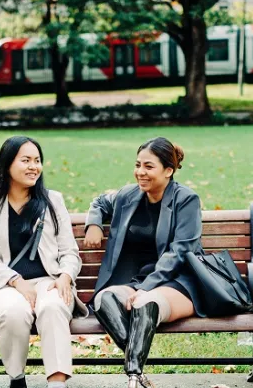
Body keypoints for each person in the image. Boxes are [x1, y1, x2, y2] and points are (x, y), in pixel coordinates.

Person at [83, 137, 205, 388]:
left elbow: (180, 252)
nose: (140, 172)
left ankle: (133, 376)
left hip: (177, 281)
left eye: (149, 167)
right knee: (104, 300)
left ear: (168, 170)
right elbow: (100, 201)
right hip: (134, 280)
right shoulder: (128, 195)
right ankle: (136, 373)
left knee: (145, 303)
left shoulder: (186, 200)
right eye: (138, 165)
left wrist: (144, 289)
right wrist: (94, 223)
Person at [0, 136, 88, 388]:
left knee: (53, 308)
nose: (33, 166)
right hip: (5, 285)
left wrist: (65, 277)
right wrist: (15, 280)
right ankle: (17, 378)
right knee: (13, 311)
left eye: (37, 161)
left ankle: (57, 383)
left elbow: (70, 251)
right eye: (25, 160)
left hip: (49, 281)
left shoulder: (52, 201)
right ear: (7, 165)